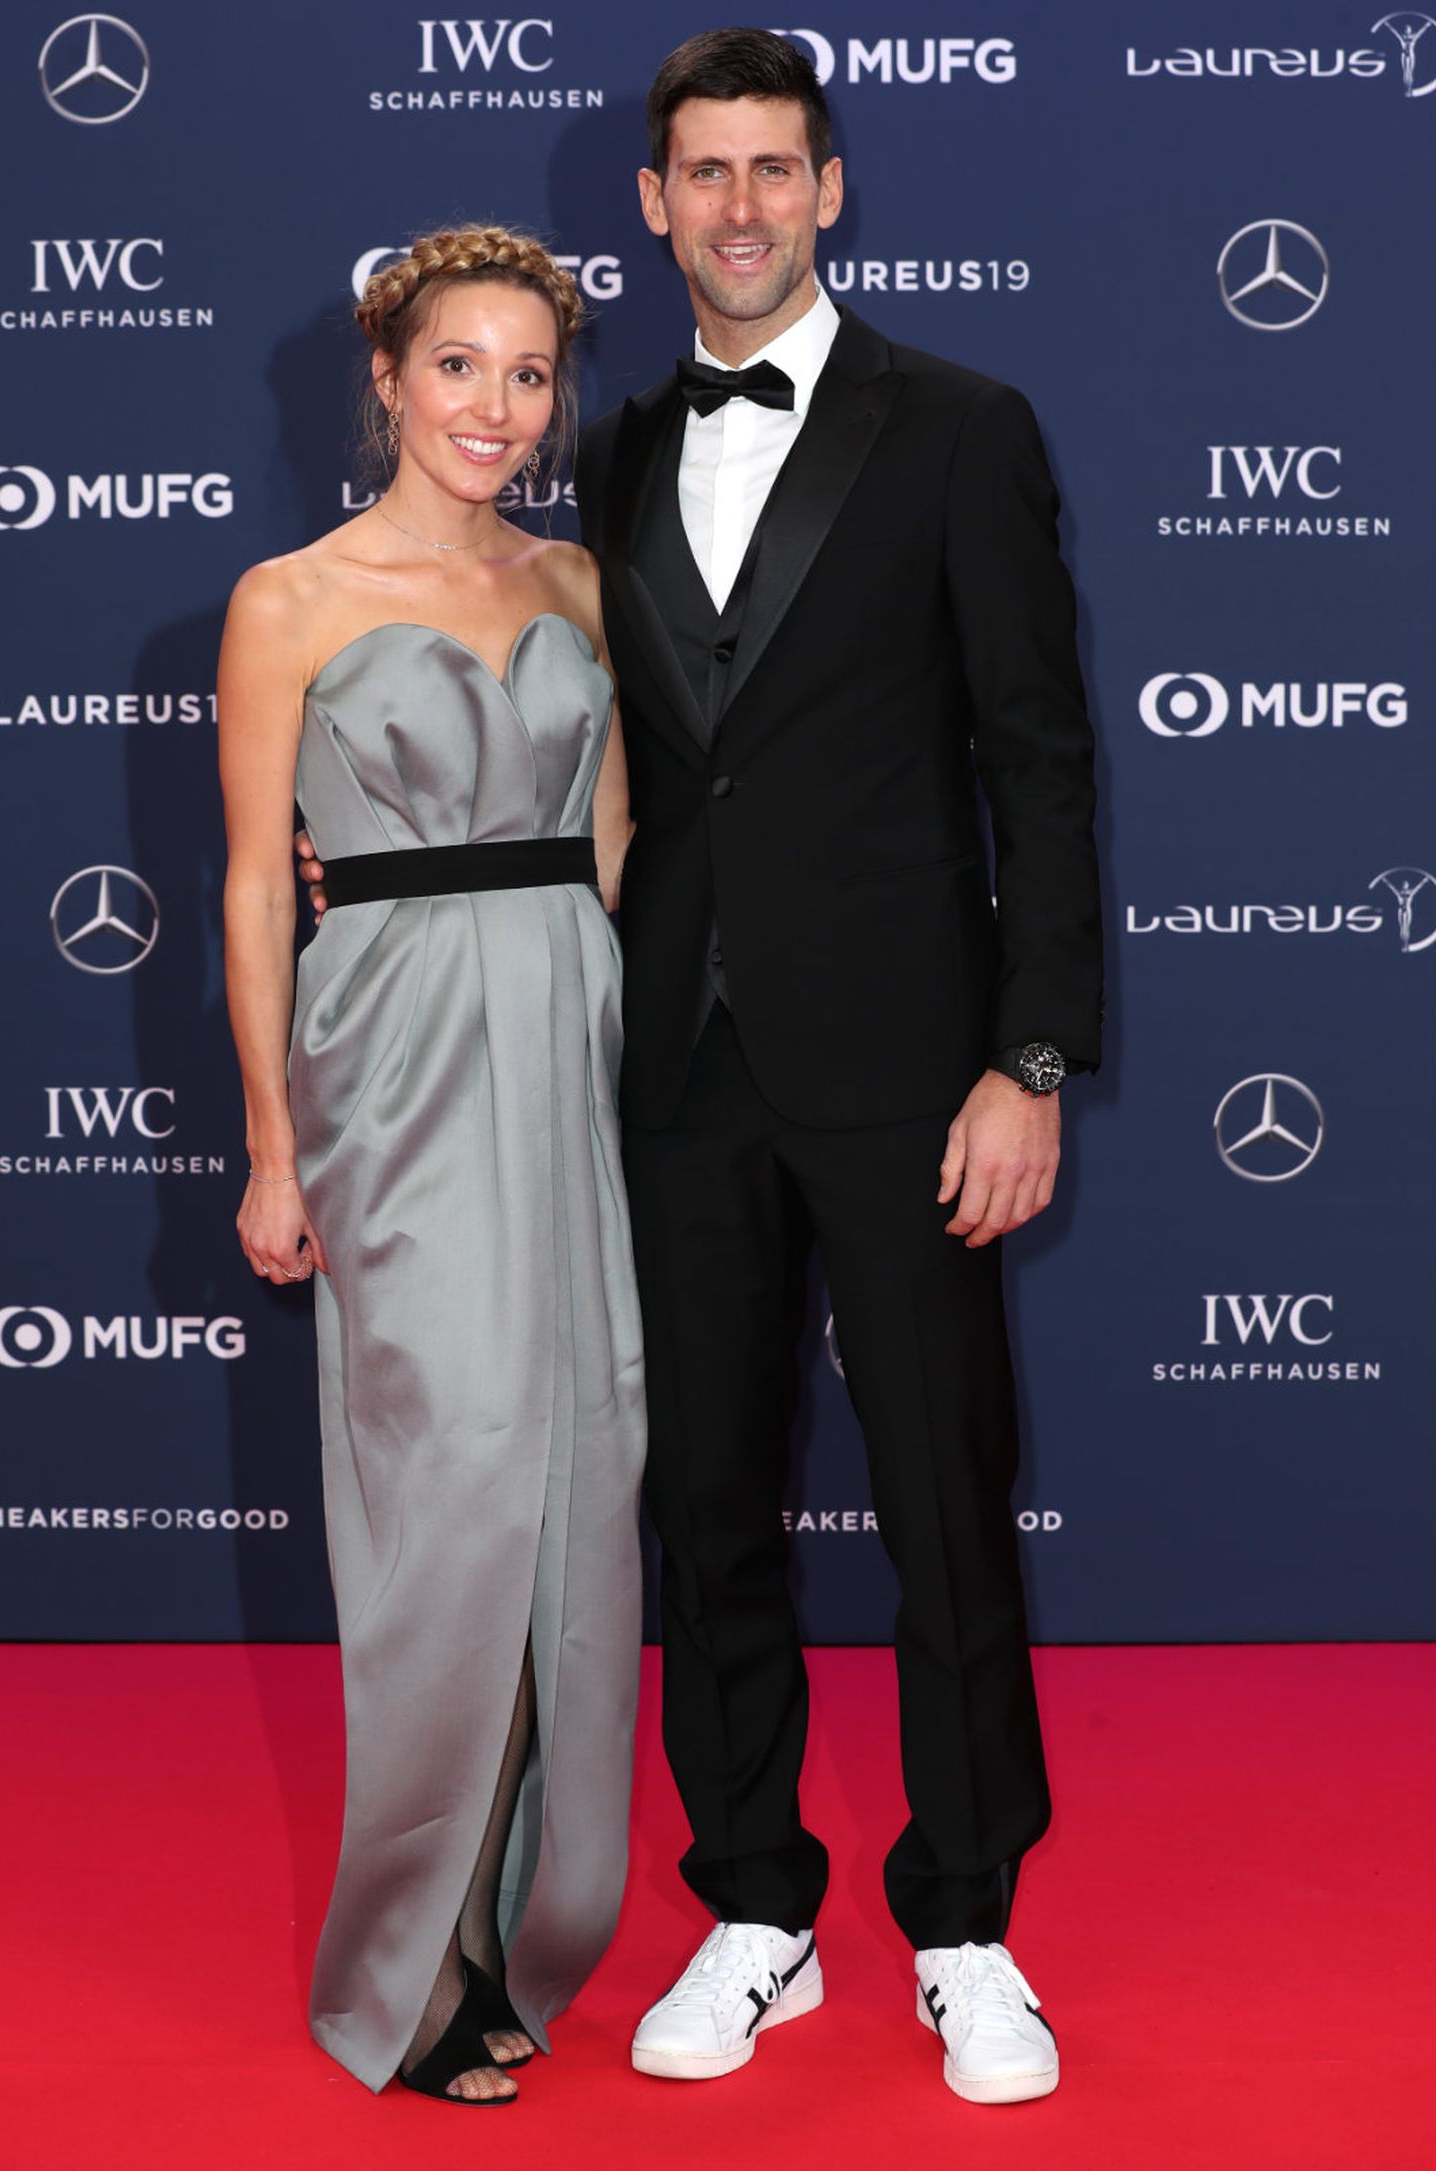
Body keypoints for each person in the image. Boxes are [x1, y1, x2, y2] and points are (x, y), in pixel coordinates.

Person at [575, 31, 1101, 2105]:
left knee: (943, 1505)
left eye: (773, 169)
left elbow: (1039, 765)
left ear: (832, 185)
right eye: (702, 173)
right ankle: (756, 1907)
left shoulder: (961, 425)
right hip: (675, 1066)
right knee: (705, 1499)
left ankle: (967, 1924)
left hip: (909, 1070)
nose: (739, 207)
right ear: (652, 205)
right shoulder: (614, 452)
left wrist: (1029, 1055)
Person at [219, 225, 645, 2105]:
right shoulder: (290, 600)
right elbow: (256, 888)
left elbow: (615, 835)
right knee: (452, 1496)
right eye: (459, 365)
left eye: (529, 373)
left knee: (577, 1488)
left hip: (569, 1053)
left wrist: (603, 1014)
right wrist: (272, 1144)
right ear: (386, 377)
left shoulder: (578, 579)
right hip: (392, 1068)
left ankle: (525, 1923)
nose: (497, 406)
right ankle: (416, 1959)